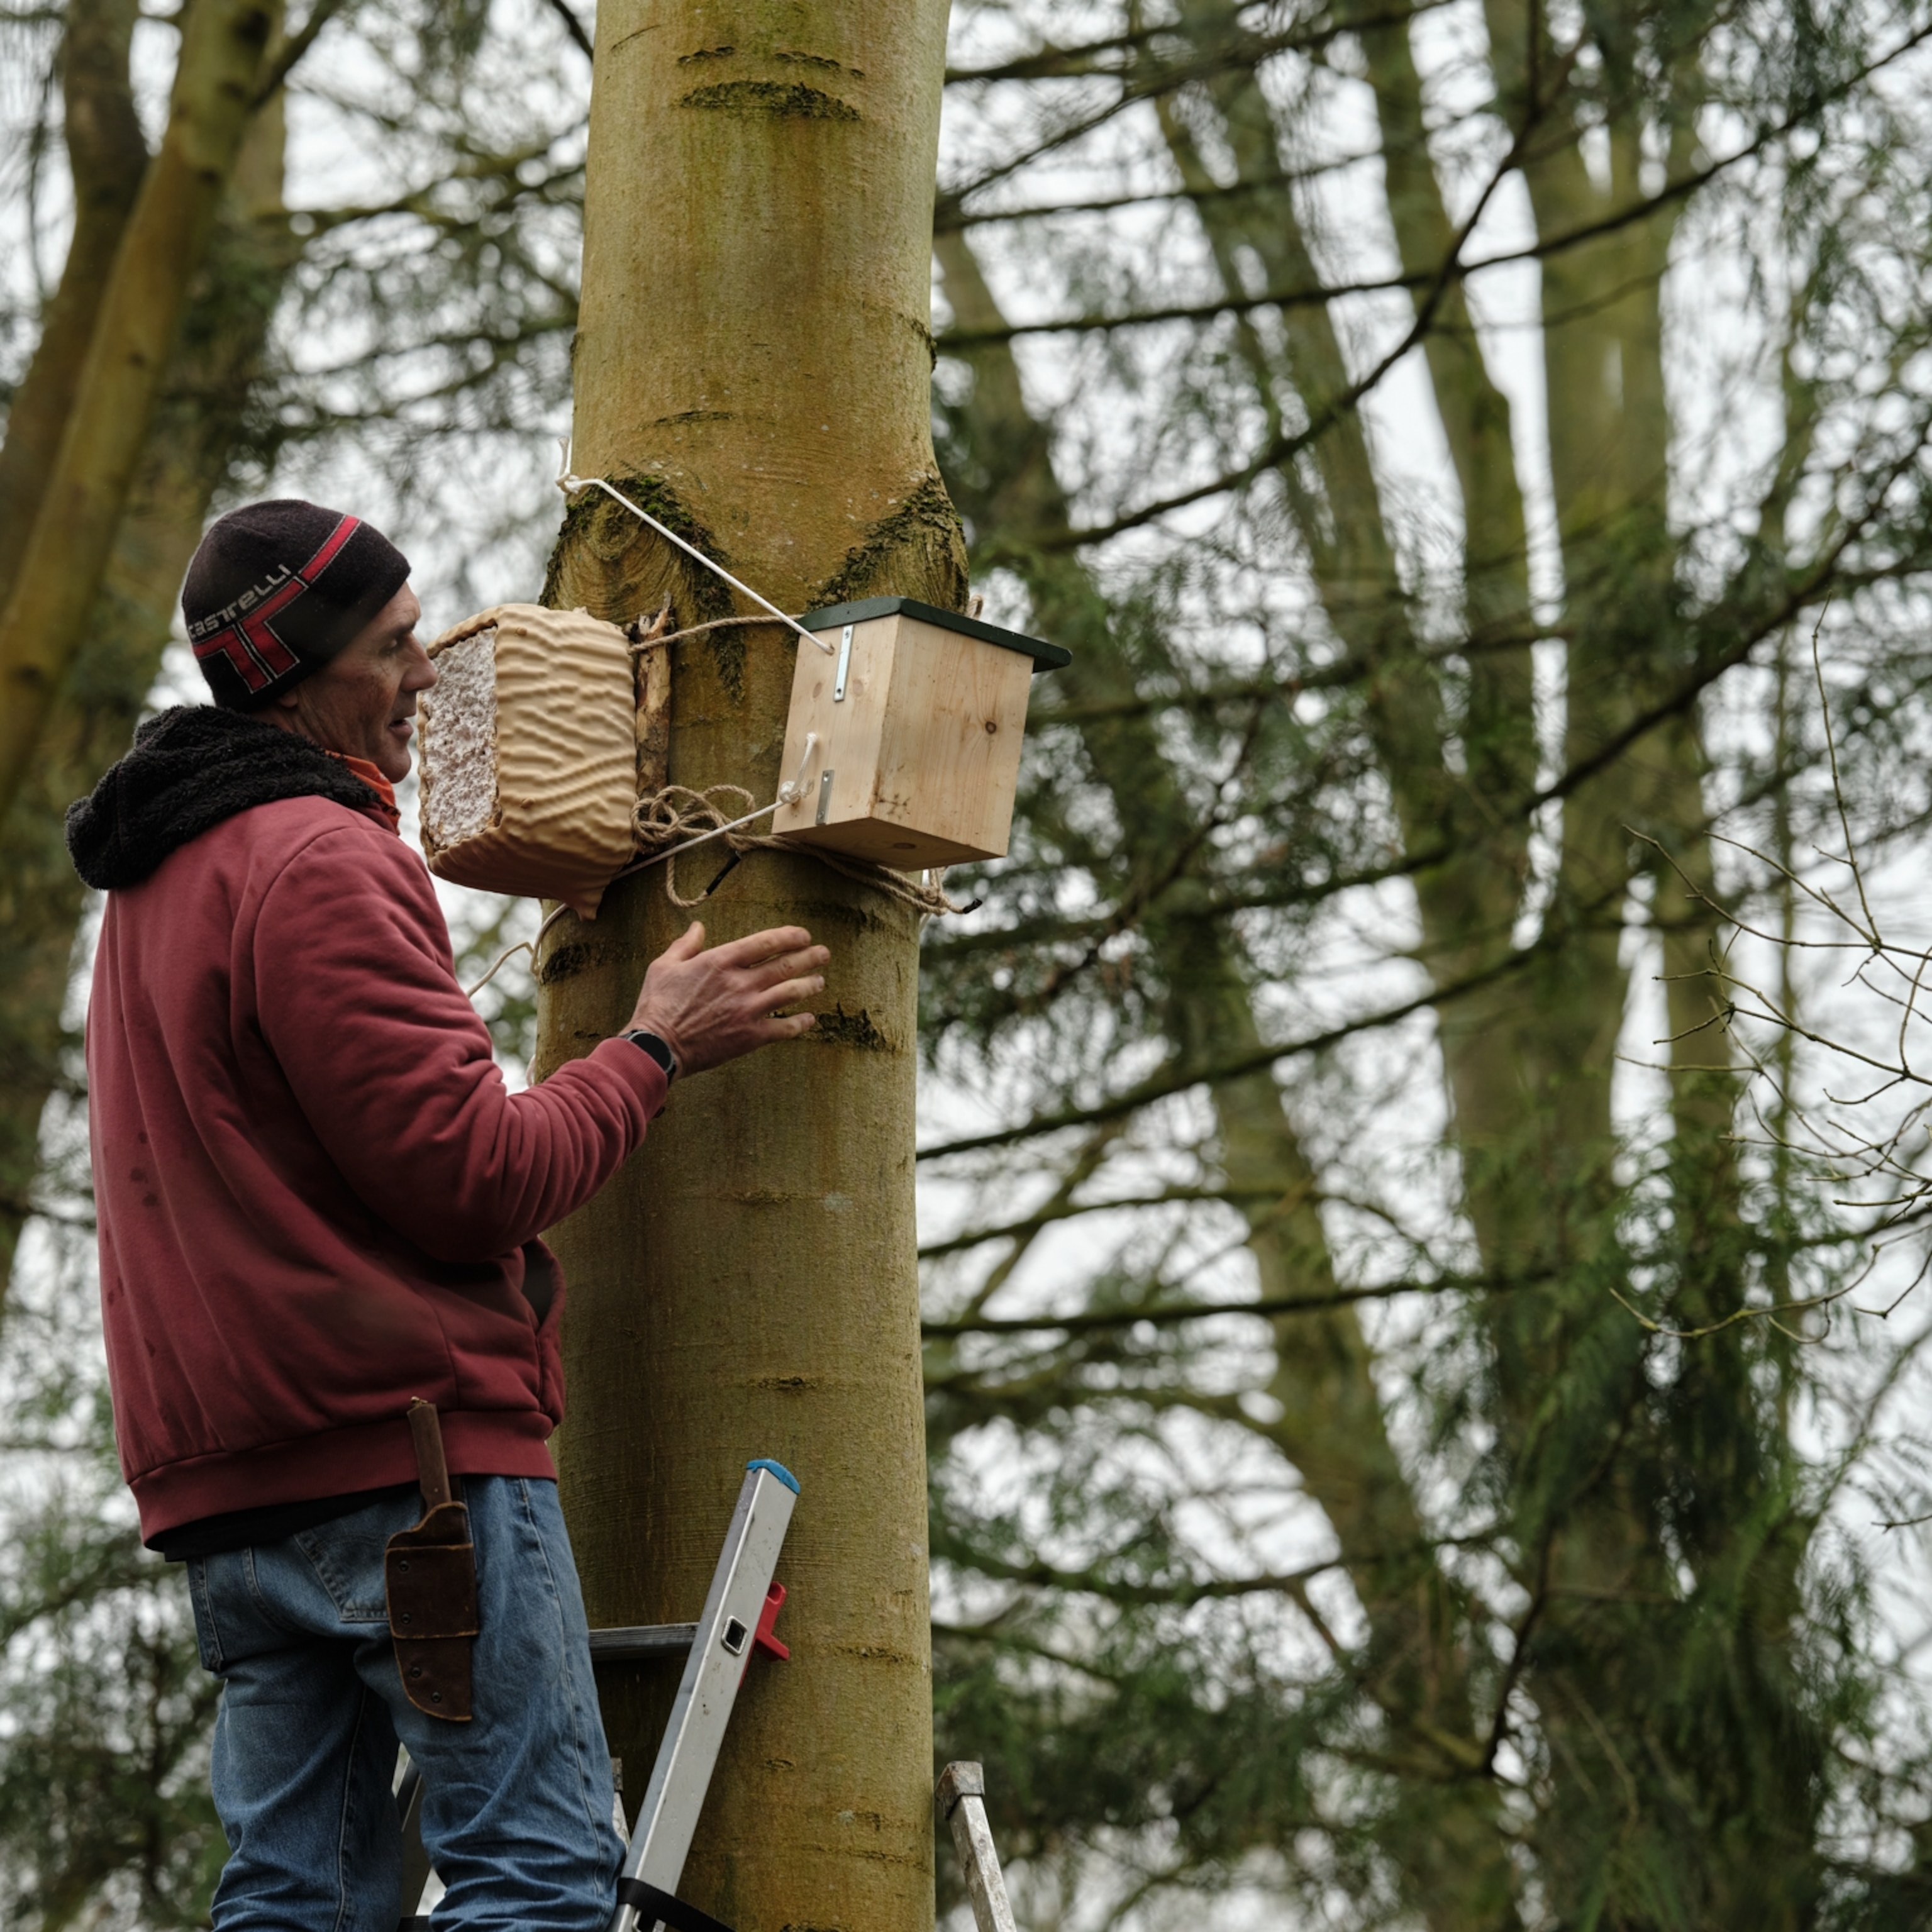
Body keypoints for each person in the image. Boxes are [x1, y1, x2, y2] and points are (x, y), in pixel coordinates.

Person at [65, 498, 828, 1932]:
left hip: (233, 1494)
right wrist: (653, 1048)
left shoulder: (158, 883)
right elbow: (474, 1176)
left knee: (293, 1899)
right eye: (395, 645)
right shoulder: (317, 860)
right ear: (299, 674)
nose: (427, 675)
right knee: (536, 1876)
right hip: (403, 1474)